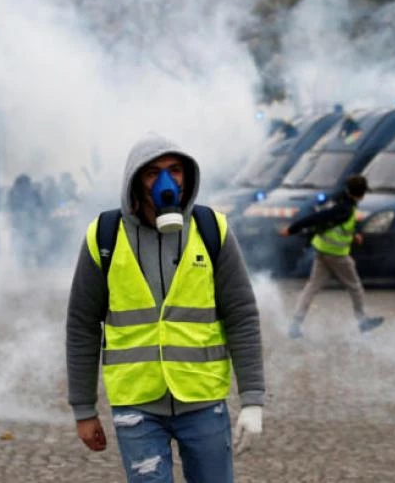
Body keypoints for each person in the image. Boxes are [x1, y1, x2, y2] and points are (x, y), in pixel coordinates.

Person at [66, 135, 265, 482]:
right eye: (153, 172)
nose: (166, 182)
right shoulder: (105, 236)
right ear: (135, 180)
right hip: (137, 404)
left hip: (202, 400)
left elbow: (242, 316)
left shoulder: (212, 230)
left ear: (187, 176)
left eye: (175, 170)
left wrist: (252, 400)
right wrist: (84, 410)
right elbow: (82, 325)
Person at [280, 174, 384, 338]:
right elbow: (318, 218)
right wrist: (293, 228)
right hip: (337, 255)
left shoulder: (341, 202)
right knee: (355, 287)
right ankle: (362, 321)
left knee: (312, 287)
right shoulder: (346, 208)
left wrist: (354, 234)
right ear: (362, 194)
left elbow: (338, 225)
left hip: (322, 250)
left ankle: (295, 324)